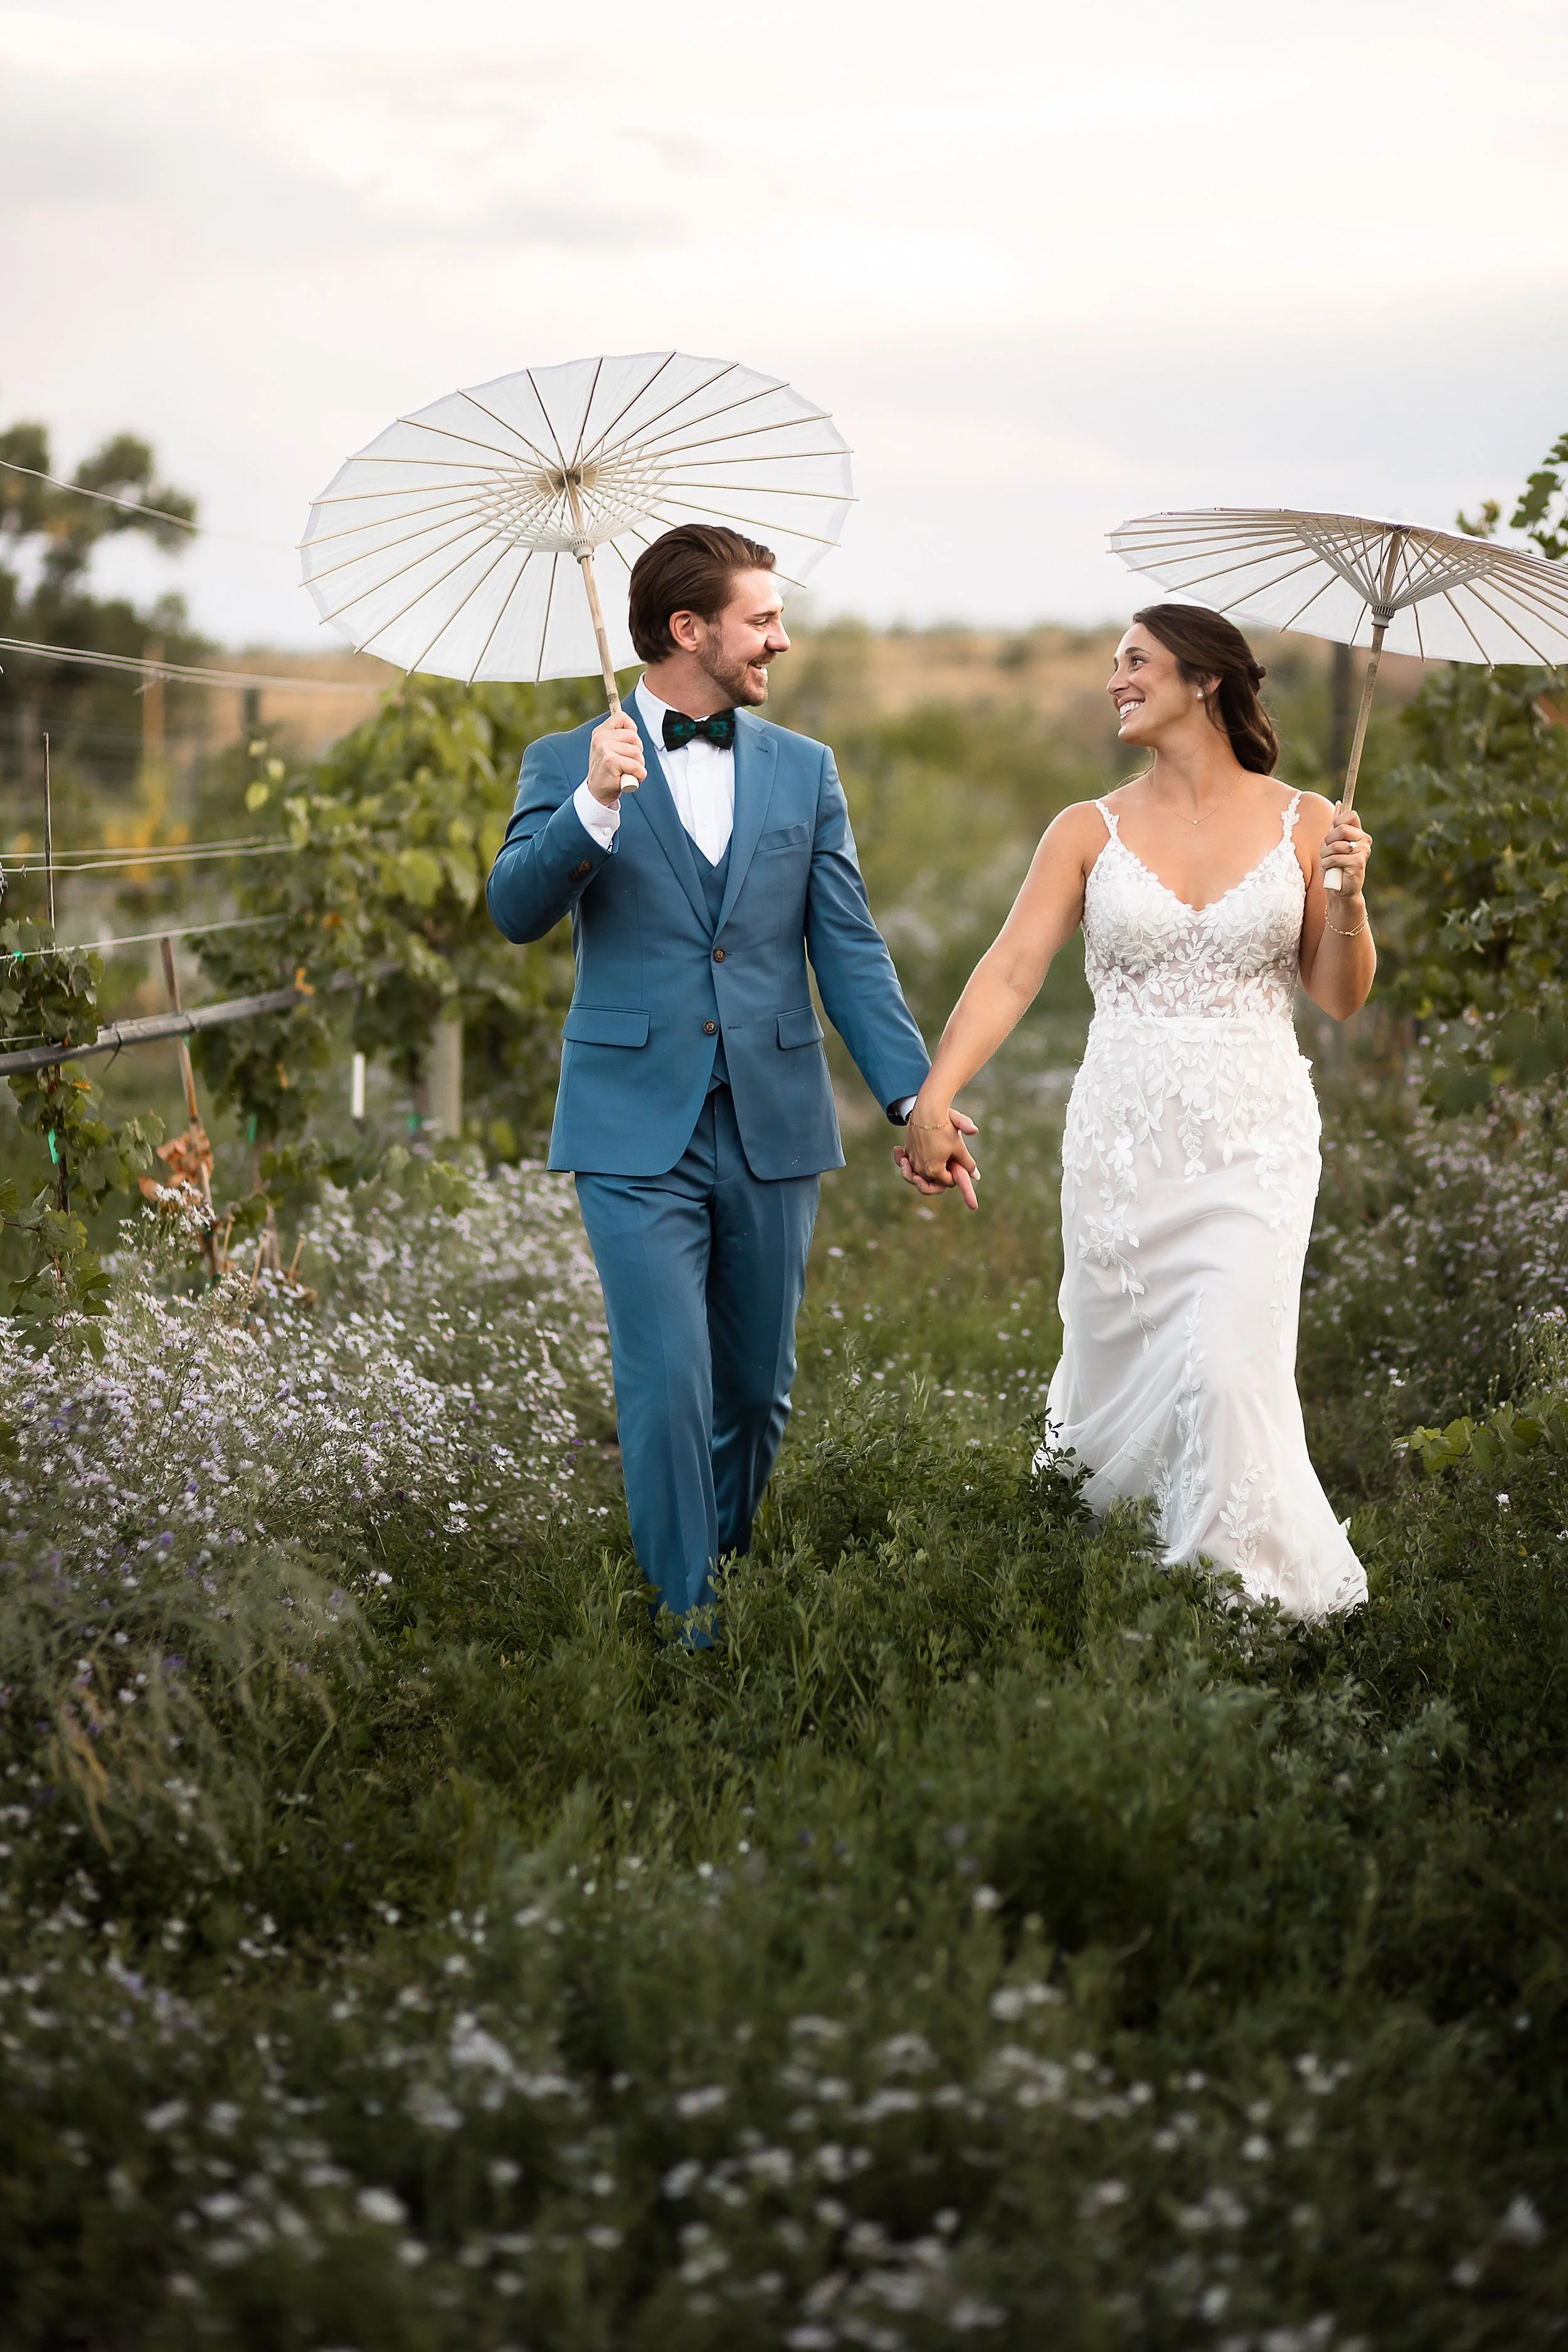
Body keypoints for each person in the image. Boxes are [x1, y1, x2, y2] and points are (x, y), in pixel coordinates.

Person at [487, 524, 940, 1640]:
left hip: (774, 1118)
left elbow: (849, 946)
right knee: (668, 1383)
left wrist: (912, 1096)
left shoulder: (805, 768)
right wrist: (592, 807)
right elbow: (513, 912)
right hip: (633, 1124)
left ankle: (724, 1565)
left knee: (752, 1388)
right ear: (690, 630)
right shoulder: (565, 760)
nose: (780, 640)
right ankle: (692, 1623)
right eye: (763, 620)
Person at [897, 604, 1373, 1617]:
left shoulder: (1307, 822)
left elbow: (1337, 992)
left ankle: (1233, 1599)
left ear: (1205, 679)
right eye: (1114, 663)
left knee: (1228, 1360)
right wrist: (935, 1094)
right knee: (1127, 1362)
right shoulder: (1086, 828)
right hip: (1123, 1141)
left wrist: (1351, 897)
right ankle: (1116, 1574)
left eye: (1136, 661)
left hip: (1255, 1137)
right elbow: (1013, 969)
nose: (1115, 678)